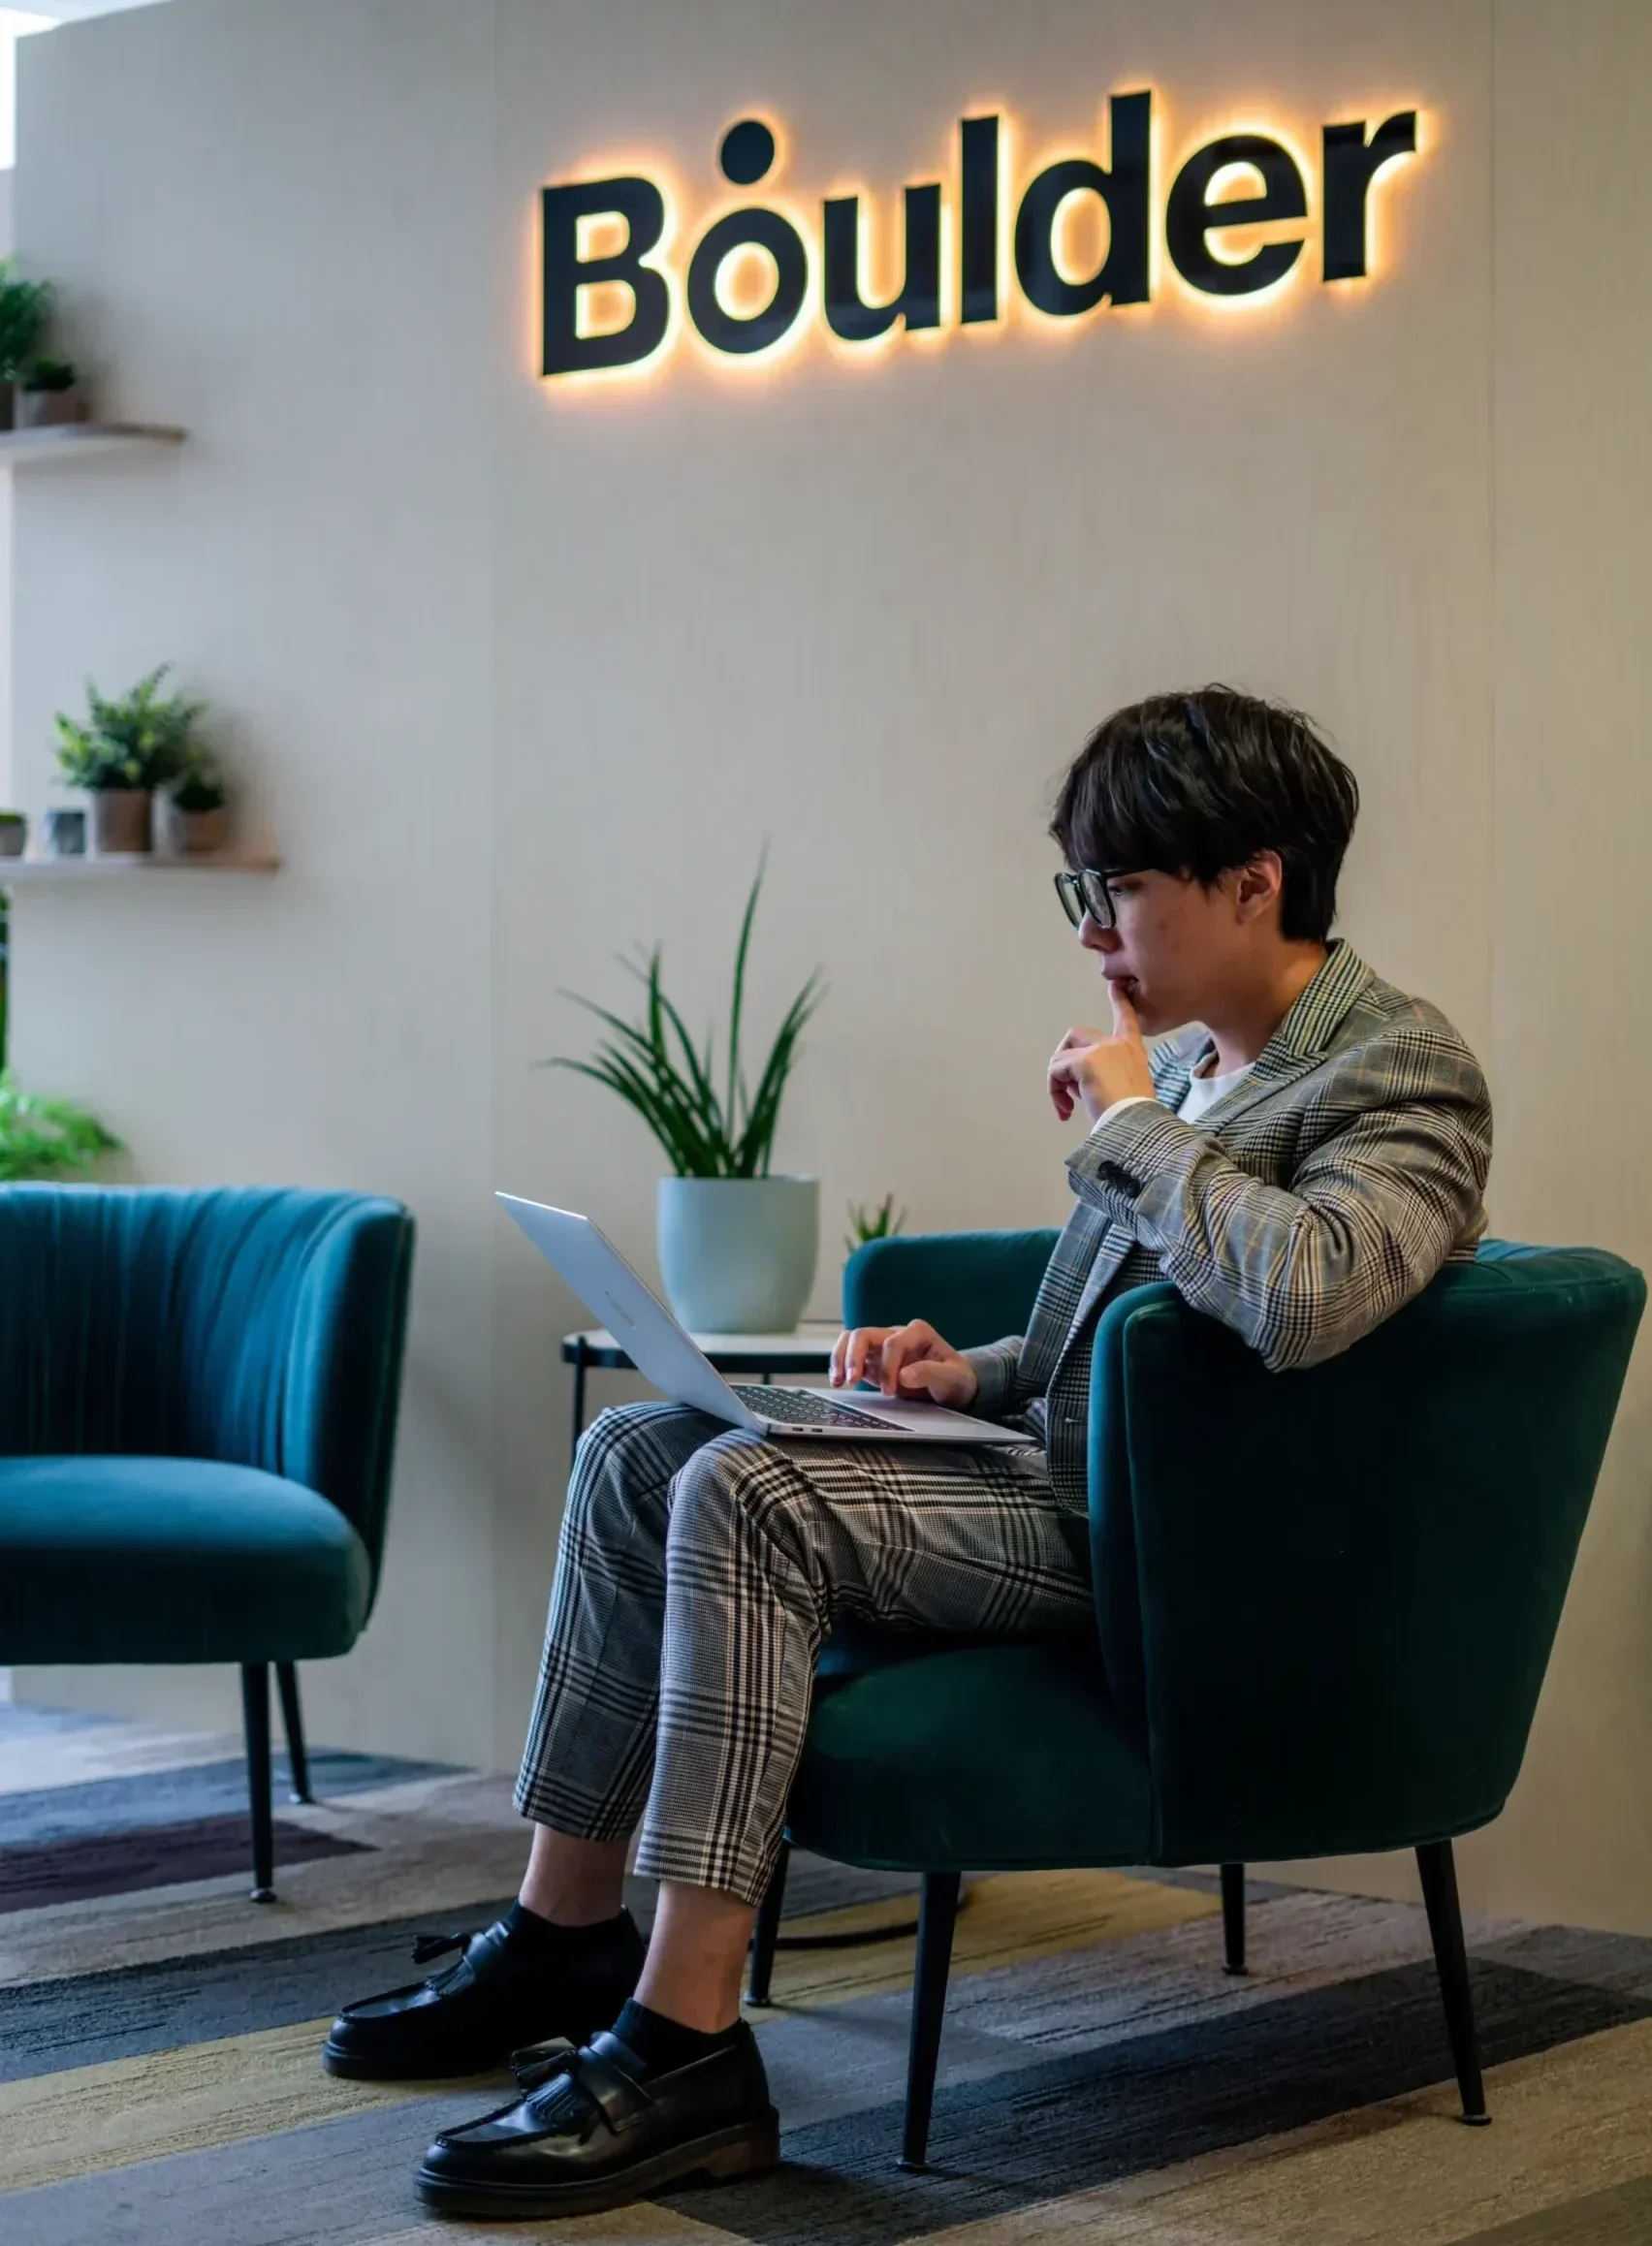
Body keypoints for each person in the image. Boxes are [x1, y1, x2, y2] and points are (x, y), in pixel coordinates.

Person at [324, 685, 1493, 2221]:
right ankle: (565, 1932)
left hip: (1187, 1551)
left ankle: (685, 2048)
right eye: (1083, 893)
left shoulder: (1399, 1071)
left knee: (746, 1490)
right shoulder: (1206, 1062)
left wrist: (1136, 1132)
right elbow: (1135, 1341)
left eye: (1118, 891)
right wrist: (969, 1368)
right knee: (633, 1454)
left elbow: (1310, 1296)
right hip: (1079, 1484)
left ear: (1254, 881)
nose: (1093, 938)